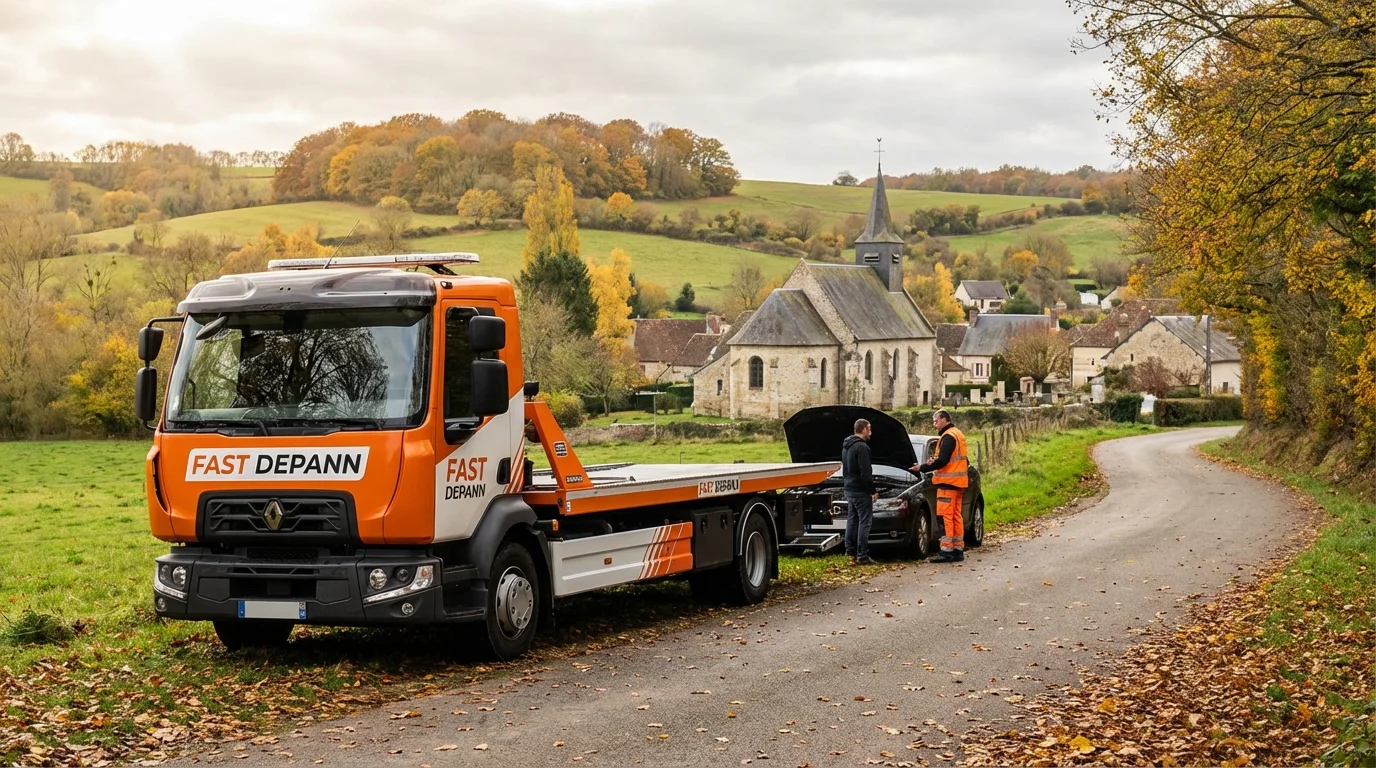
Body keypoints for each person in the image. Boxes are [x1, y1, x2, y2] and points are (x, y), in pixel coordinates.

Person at [912, 409, 969, 563]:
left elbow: (943, 461)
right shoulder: (958, 434)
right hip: (958, 483)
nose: (934, 424)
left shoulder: (948, 436)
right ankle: (958, 549)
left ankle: (947, 551)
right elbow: (959, 460)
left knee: (945, 518)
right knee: (956, 516)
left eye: (936, 421)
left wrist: (922, 467)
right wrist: (935, 461)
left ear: (945, 419)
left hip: (947, 484)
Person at [841, 418, 878, 567]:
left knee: (852, 520)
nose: (871, 433)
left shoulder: (846, 445)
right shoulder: (862, 447)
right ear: (863, 429)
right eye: (869, 429)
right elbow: (866, 473)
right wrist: (873, 491)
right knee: (864, 522)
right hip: (860, 490)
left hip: (849, 488)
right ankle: (862, 555)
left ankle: (850, 553)